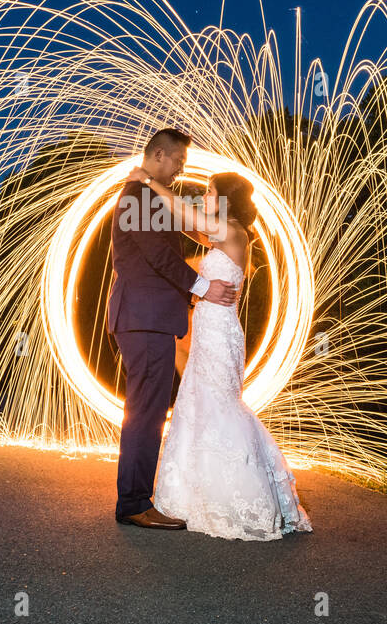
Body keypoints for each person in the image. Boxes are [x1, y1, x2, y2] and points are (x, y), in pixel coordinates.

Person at [125, 163, 313, 541]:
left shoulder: (231, 231)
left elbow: (184, 213)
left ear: (226, 199)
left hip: (220, 333)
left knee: (221, 406)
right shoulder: (222, 234)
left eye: (210, 191)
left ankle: (242, 497)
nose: (204, 196)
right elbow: (185, 224)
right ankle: (200, 495)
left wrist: (147, 181)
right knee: (200, 405)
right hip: (210, 329)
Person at [106, 128, 238, 529]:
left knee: (147, 410)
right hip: (144, 320)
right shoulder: (137, 197)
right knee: (145, 412)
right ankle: (133, 504)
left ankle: (136, 498)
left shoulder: (145, 196)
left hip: (148, 320)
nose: (182, 169)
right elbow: (159, 256)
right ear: (159, 154)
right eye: (179, 161)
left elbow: (185, 230)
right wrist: (203, 287)